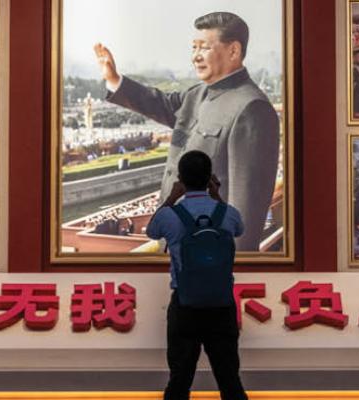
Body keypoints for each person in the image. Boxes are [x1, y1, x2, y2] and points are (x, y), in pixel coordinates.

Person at [95, 11, 279, 251]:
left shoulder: (252, 108)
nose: (196, 57)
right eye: (193, 48)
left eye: (204, 48)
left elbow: (245, 212)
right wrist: (114, 79)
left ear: (233, 51)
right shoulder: (197, 94)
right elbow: (158, 102)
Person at [146, 150, 246, 400]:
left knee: (179, 381)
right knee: (230, 381)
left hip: (185, 305)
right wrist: (217, 196)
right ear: (210, 178)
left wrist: (171, 197)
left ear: (180, 179)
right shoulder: (228, 213)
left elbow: (151, 231)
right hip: (222, 306)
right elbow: (239, 228)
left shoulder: (170, 216)